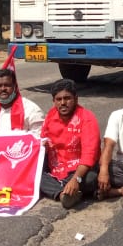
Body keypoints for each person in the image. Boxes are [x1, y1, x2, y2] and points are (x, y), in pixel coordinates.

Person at [40, 79, 101, 209]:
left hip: (80, 170)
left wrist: (76, 179)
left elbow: (89, 156)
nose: (63, 103)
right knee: (33, 173)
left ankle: (65, 189)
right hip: (56, 168)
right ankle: (63, 194)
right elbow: (42, 140)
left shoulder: (87, 118)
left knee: (90, 179)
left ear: (76, 99)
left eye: (67, 98)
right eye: (59, 99)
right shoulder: (50, 116)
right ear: (54, 101)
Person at [0, 68, 44, 133]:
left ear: (15, 86)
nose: (3, 89)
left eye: (7, 85)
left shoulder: (31, 109)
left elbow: (38, 136)